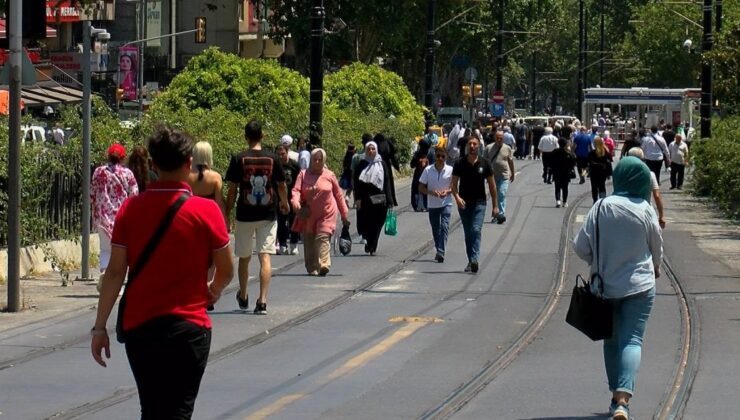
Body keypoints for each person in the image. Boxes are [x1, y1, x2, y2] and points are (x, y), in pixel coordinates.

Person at [90, 126, 234, 419]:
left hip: (141, 328)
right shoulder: (207, 212)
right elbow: (227, 269)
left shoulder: (130, 210)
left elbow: (116, 272)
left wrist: (100, 326)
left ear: (153, 165)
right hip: (190, 328)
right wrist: (213, 291)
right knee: (179, 411)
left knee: (152, 409)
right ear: (189, 163)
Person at [573, 156, 663, 420]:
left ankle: (616, 398)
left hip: (605, 287)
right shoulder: (645, 209)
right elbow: (657, 246)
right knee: (632, 339)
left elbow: (580, 247)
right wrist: (655, 267)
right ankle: (622, 400)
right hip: (641, 285)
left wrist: (598, 261)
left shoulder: (601, 207)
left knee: (611, 341)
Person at [225, 120, 289, 315]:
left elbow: (232, 189)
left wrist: (227, 211)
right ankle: (262, 300)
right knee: (265, 256)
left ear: (246, 137)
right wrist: (284, 202)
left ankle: (243, 295)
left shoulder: (238, 158)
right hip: (268, 214)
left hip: (245, 214)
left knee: (244, 258)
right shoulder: (273, 159)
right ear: (262, 136)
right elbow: (281, 184)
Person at [291, 148, 350, 275]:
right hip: (309, 213)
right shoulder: (303, 174)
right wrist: (295, 201)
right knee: (310, 239)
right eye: (315, 159)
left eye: (320, 160)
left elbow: (338, 195)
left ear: (324, 161)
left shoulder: (329, 175)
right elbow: (296, 190)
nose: (317, 162)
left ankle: (324, 264)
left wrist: (344, 214)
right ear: (310, 160)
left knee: (322, 237)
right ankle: (312, 267)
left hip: (327, 212)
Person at [91, 144, 138, 287]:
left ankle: (105, 273)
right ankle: (119, 280)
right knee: (122, 251)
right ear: (123, 158)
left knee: (105, 249)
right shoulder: (127, 174)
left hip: (102, 218)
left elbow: (92, 193)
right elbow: (134, 195)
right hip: (122, 218)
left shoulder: (99, 172)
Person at [451, 136, 499, 273]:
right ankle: (471, 260)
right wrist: (457, 198)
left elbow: (492, 185)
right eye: (470, 144)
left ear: (479, 147)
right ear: (467, 147)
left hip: (480, 203)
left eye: (475, 144)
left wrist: (495, 206)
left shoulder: (485, 163)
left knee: (476, 230)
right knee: (468, 234)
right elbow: (453, 184)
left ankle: (474, 260)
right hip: (464, 203)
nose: (472, 146)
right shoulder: (460, 163)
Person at [353, 141, 394, 256]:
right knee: (366, 223)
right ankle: (368, 241)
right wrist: (357, 198)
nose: (371, 151)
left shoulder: (382, 164)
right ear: (366, 150)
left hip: (380, 198)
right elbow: (356, 183)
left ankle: (373, 245)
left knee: (378, 222)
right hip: (365, 199)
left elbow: (387, 183)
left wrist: (390, 200)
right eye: (369, 149)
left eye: (373, 149)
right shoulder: (361, 164)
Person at [419, 147, 453, 263]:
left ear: (446, 157)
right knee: (435, 229)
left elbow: (454, 187)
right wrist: (432, 193)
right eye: (438, 156)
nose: (440, 159)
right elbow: (421, 187)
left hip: (446, 203)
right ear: (435, 157)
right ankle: (439, 249)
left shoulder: (450, 170)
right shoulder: (428, 170)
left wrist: (447, 192)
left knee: (444, 227)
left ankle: (441, 251)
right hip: (432, 204)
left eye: (442, 156)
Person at [627, 148, 666, 229]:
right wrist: (661, 216)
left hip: (627, 210)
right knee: (655, 239)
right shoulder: (650, 174)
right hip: (645, 210)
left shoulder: (624, 175)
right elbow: (657, 196)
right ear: (642, 159)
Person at [187, 141, 226, 221]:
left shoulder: (186, 175)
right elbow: (219, 203)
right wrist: (225, 219)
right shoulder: (216, 177)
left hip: (190, 217)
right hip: (208, 219)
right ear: (209, 156)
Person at [275, 144, 301, 255]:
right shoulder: (275, 166)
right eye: (278, 154)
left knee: (294, 221)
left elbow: (300, 181)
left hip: (292, 197)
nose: (281, 156)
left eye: (283, 154)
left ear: (287, 153)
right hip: (280, 198)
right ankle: (282, 244)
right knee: (281, 222)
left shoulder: (294, 165)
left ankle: (294, 244)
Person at [485, 130, 515, 224]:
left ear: (503, 138)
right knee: (495, 196)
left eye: (501, 138)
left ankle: (500, 214)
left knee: (501, 193)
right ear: (495, 138)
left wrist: (513, 173)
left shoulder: (507, 148)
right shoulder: (488, 148)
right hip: (492, 177)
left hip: (504, 175)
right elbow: (484, 162)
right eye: (497, 137)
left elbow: (510, 161)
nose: (499, 139)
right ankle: (495, 214)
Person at [550, 137, 577, 208]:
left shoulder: (555, 151)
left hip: (556, 172)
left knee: (557, 186)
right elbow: (573, 162)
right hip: (566, 172)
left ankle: (558, 200)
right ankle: (564, 202)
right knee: (565, 187)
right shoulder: (568, 153)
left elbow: (551, 162)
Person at [587, 137, 612, 203]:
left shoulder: (592, 153)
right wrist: (609, 173)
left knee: (594, 187)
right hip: (603, 172)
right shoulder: (606, 152)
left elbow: (589, 162)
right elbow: (609, 162)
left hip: (594, 172)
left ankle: (595, 200)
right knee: (602, 185)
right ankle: (602, 200)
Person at [411, 138, 432, 212]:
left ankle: (424, 205)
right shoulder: (419, 154)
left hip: (425, 174)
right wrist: (418, 161)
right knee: (418, 190)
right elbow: (412, 164)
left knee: (425, 190)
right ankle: (419, 205)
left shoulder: (430, 153)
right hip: (421, 174)